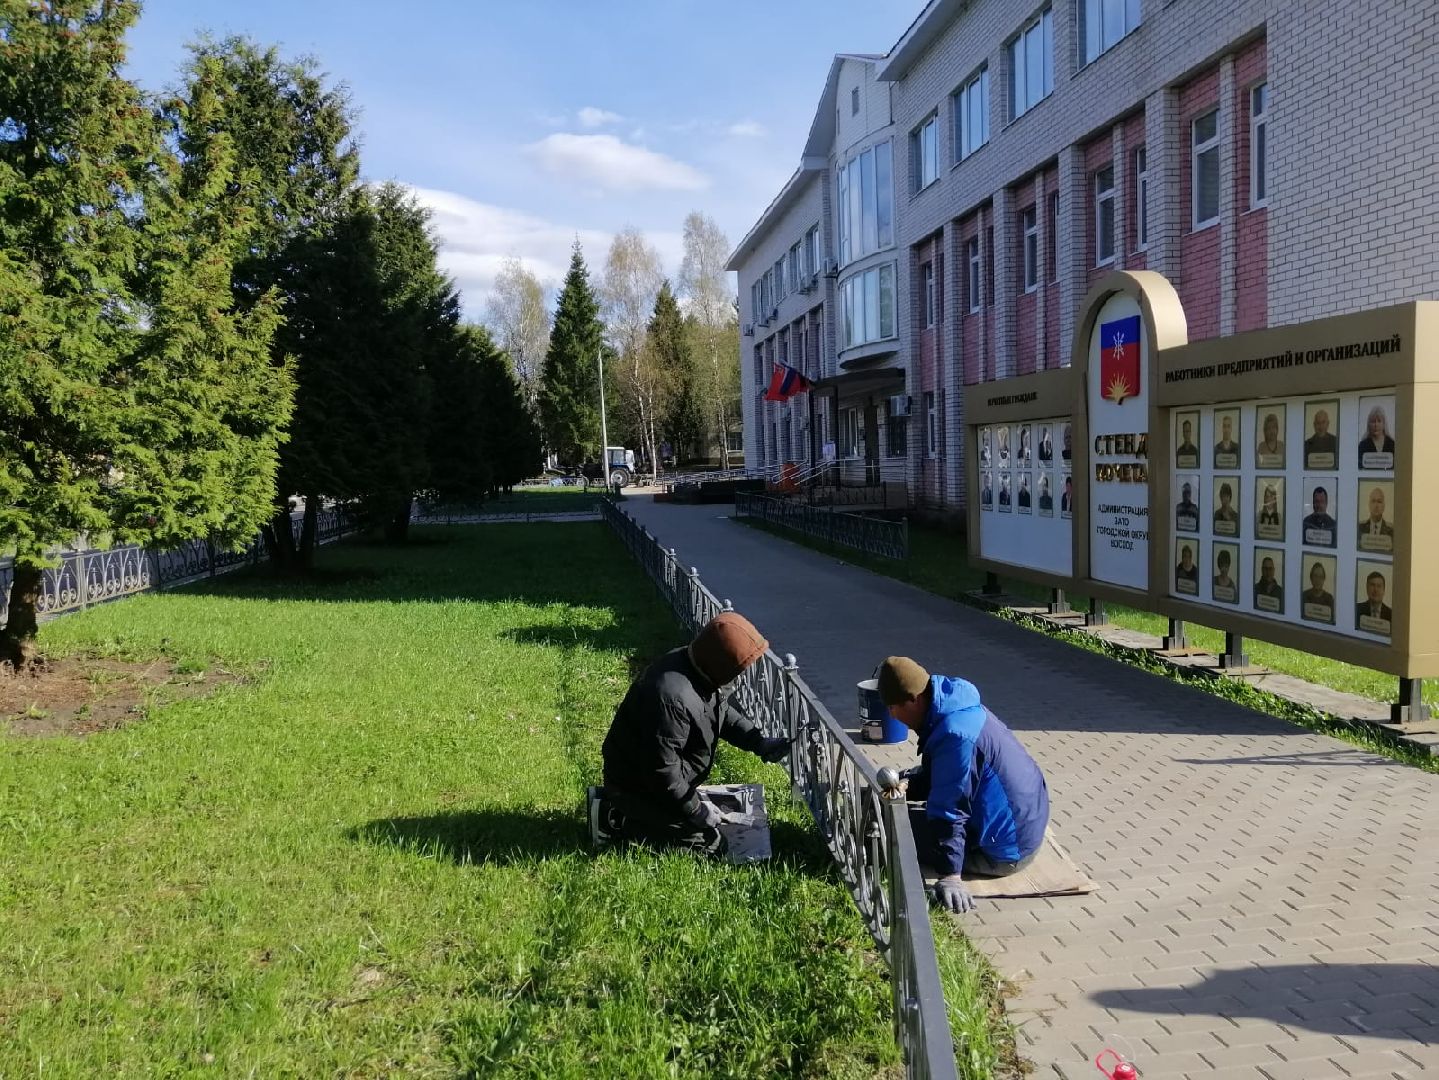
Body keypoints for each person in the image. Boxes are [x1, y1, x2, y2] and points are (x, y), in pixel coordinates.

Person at [595, 612, 789, 855]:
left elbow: (720, 713)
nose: (741, 676)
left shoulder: (697, 666)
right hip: (638, 786)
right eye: (739, 668)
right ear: (721, 661)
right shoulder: (671, 697)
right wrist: (696, 810)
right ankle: (616, 819)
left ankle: (635, 811)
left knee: (717, 821)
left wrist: (757, 741)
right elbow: (662, 770)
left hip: (656, 780)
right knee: (712, 847)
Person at [877, 657, 1049, 915]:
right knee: (897, 814)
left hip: (1004, 852)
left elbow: (950, 810)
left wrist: (950, 876)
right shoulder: (956, 708)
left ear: (913, 699)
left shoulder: (956, 736)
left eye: (893, 707)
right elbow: (945, 775)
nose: (892, 715)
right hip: (1025, 830)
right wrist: (909, 784)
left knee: (883, 824)